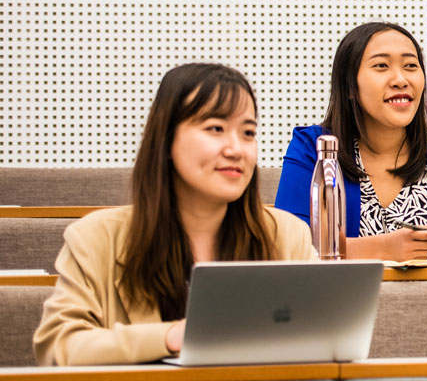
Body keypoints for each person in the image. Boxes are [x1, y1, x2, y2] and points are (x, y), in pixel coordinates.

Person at [33, 63, 317, 366]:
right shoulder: (96, 237)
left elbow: (323, 338)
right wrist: (172, 336)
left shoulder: (287, 235)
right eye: (216, 129)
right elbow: (58, 347)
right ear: (166, 140)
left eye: (248, 133)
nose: (236, 149)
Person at [275, 22, 427, 261]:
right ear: (349, 86)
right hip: (336, 298)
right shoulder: (313, 149)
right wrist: (382, 249)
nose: (400, 79)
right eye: (381, 66)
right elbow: (288, 249)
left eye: (410, 66)